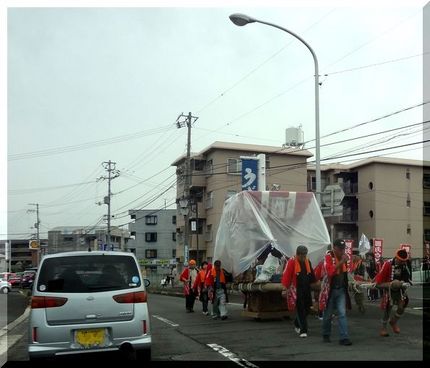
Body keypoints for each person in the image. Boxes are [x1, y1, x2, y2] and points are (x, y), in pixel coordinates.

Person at [319, 238, 352, 346]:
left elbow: (347, 273)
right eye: (340, 249)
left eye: (343, 249)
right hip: (330, 290)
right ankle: (326, 334)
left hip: (341, 289)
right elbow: (329, 272)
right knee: (327, 315)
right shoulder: (328, 257)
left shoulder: (344, 257)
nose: (342, 251)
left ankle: (344, 337)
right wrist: (342, 262)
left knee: (342, 314)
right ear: (334, 248)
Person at [374, 248, 412, 337]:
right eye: (401, 261)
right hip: (389, 289)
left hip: (400, 289)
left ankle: (393, 321)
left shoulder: (404, 265)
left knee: (401, 307)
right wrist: (392, 284)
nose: (403, 263)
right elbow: (378, 283)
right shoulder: (388, 264)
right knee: (388, 309)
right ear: (397, 258)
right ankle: (383, 328)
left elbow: (407, 279)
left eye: (404, 261)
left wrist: (402, 283)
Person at [281, 245, 316, 338]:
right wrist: (285, 288)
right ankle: (303, 330)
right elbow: (287, 275)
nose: (304, 257)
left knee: (308, 308)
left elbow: (311, 274)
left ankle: (297, 323)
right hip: (296, 288)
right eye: (302, 255)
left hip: (306, 288)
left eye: (305, 255)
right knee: (300, 309)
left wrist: (316, 282)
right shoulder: (292, 262)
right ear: (298, 254)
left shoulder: (307, 261)